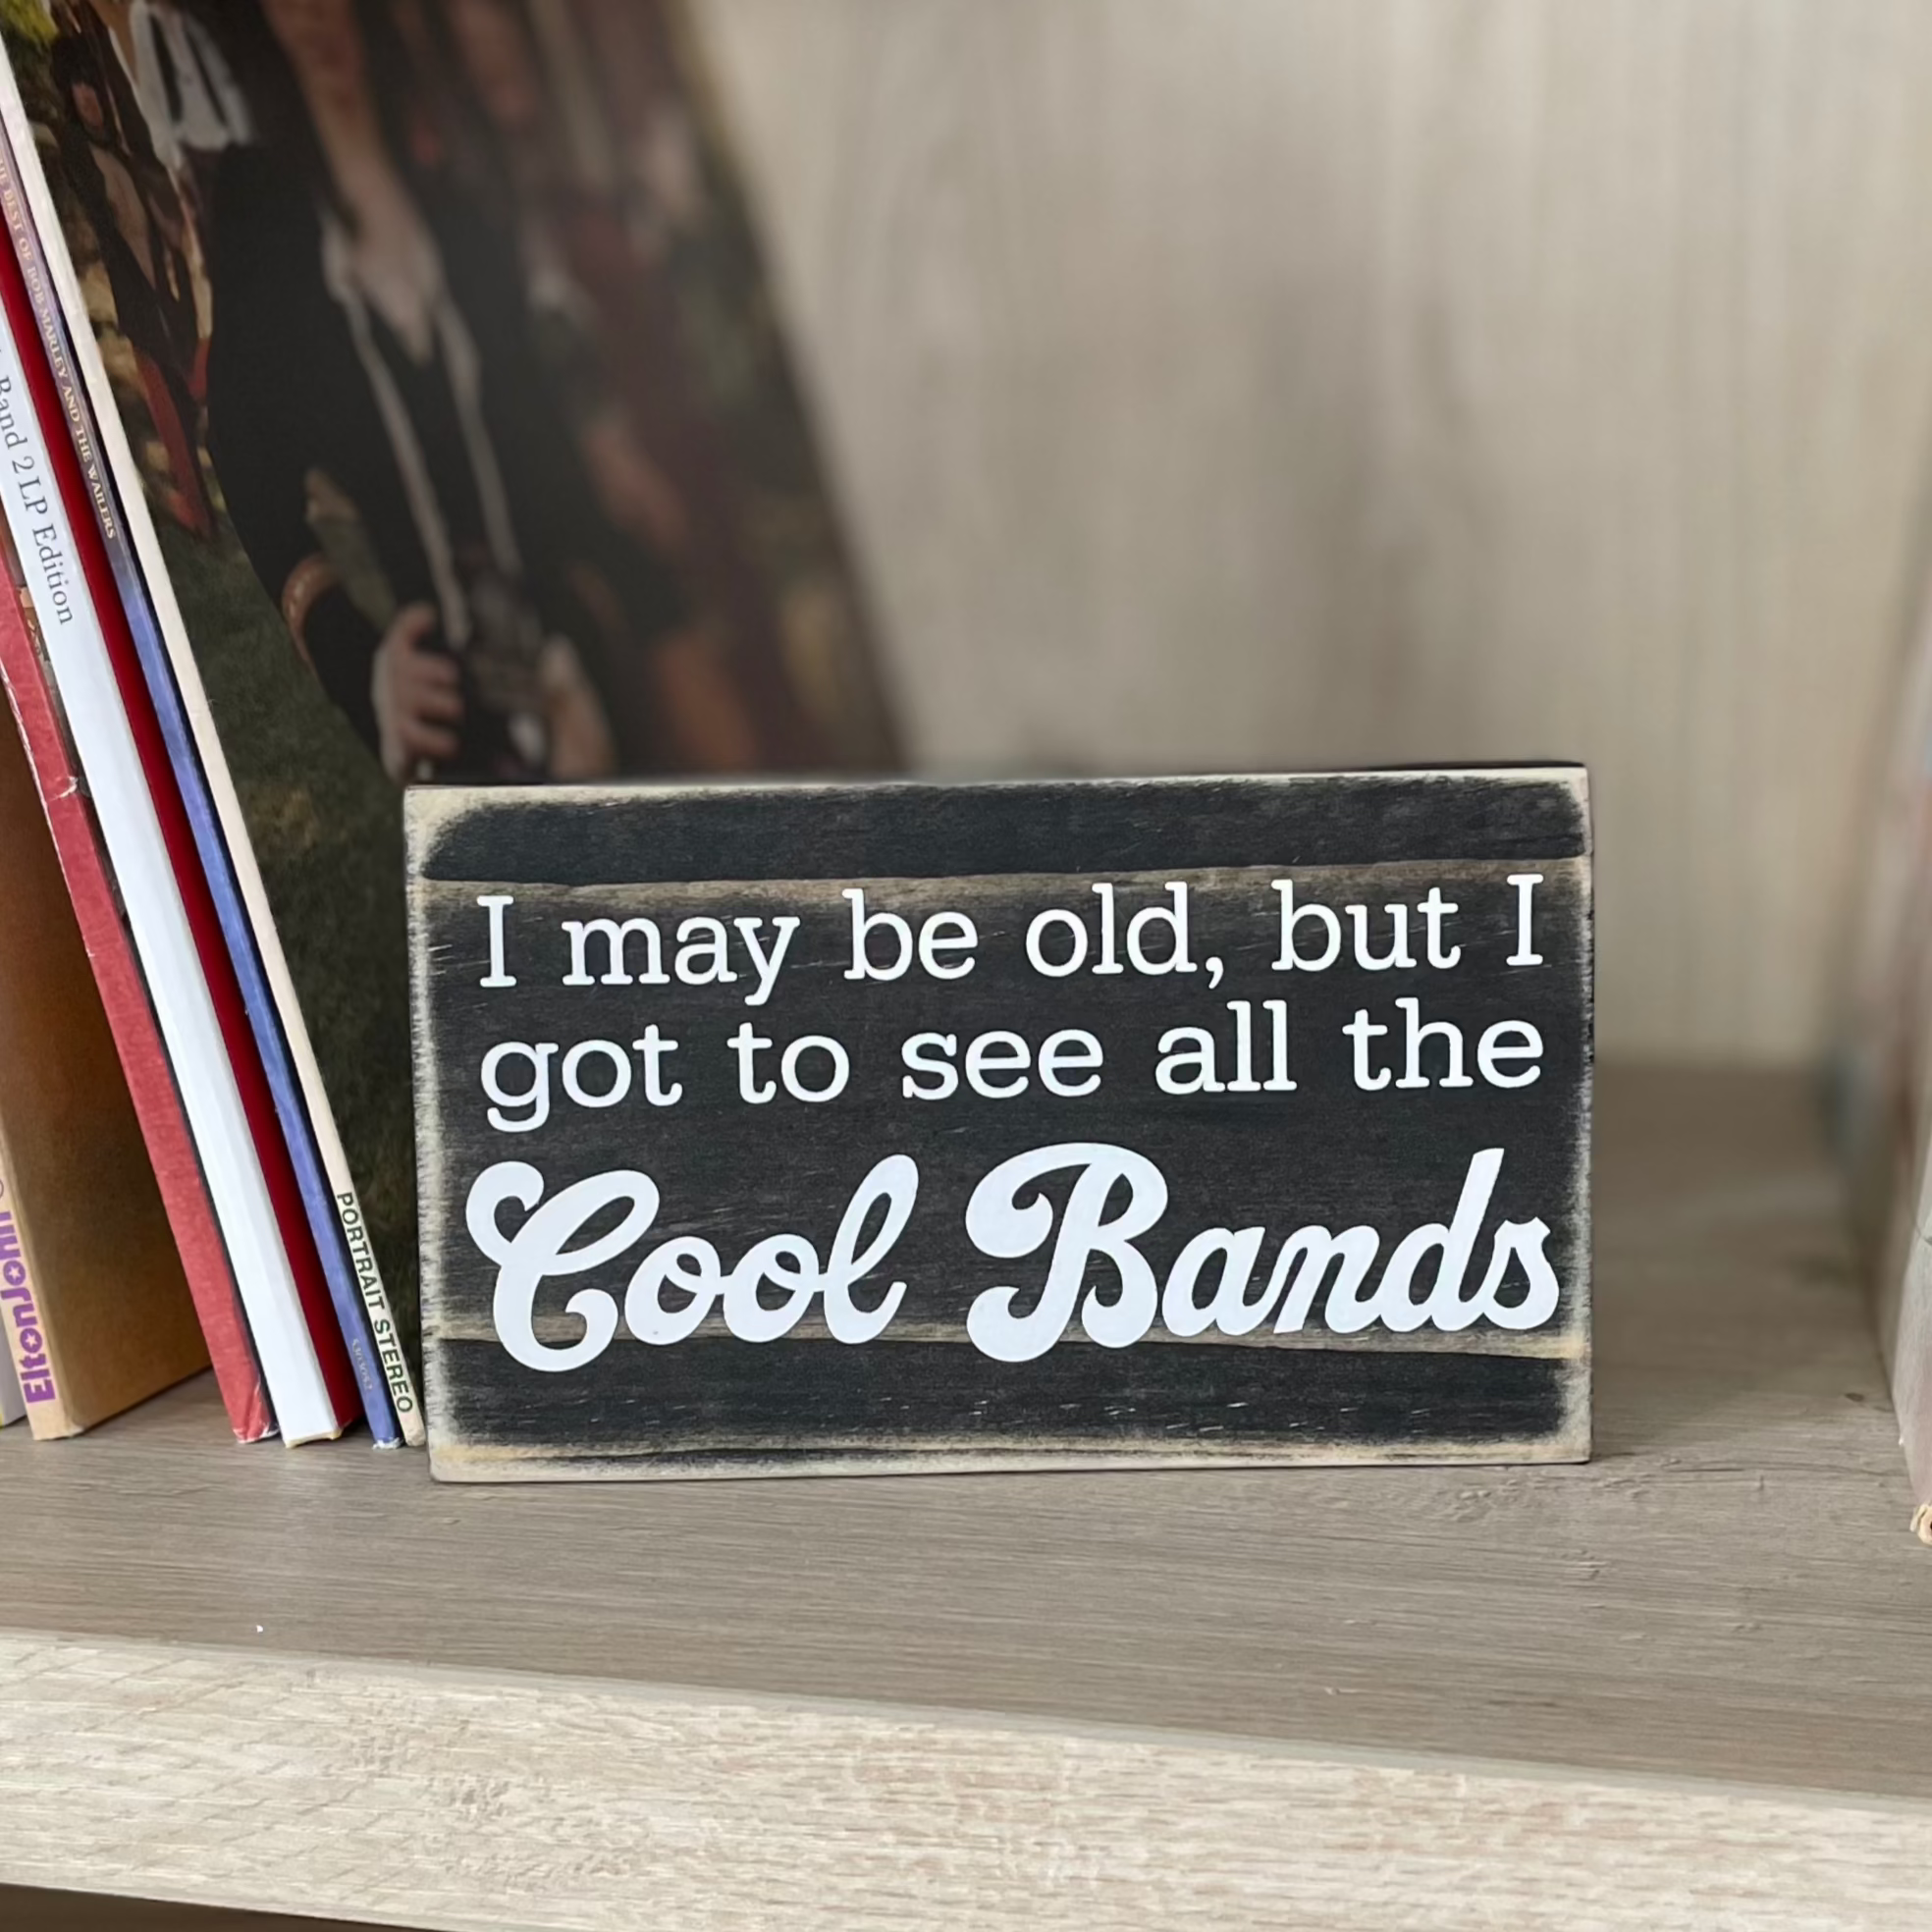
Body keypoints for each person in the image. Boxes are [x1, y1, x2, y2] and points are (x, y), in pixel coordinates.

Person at [202, 0, 688, 783]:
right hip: (445, 731)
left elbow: (544, 458)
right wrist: (360, 664)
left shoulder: (455, 209)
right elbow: (248, 461)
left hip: (567, 685)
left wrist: (587, 643)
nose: (314, 14)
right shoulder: (264, 216)